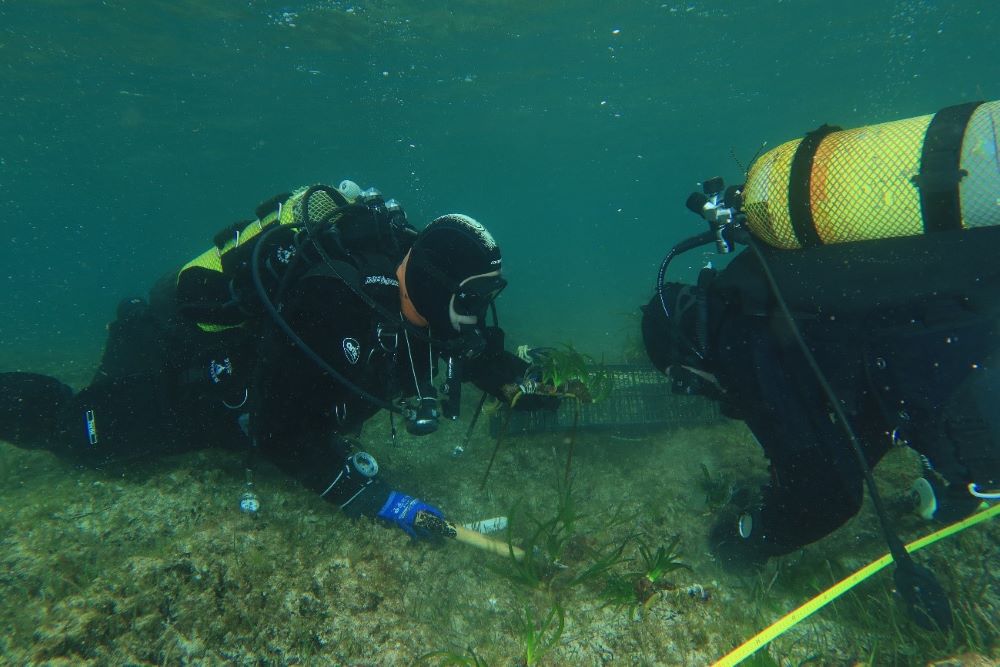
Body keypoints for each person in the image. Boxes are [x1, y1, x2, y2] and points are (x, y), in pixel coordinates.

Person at [0, 181, 558, 540]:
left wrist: (518, 380)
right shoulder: (333, 305)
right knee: (77, 436)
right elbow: (279, 431)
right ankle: (124, 334)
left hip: (273, 376)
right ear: (435, 288)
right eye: (470, 300)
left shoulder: (420, 296)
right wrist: (380, 501)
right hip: (187, 373)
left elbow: (465, 346)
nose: (475, 316)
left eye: (484, 299)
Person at [641, 207, 1000, 572]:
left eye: (685, 382)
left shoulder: (738, 346)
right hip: (976, 310)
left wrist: (754, 537)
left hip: (969, 380)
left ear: (687, 360)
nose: (702, 392)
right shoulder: (759, 282)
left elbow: (828, 498)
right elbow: (866, 413)